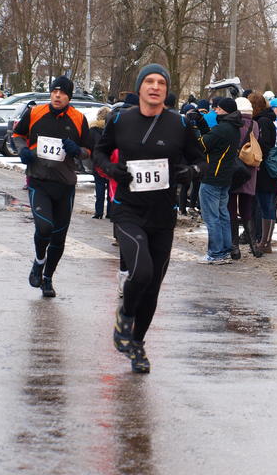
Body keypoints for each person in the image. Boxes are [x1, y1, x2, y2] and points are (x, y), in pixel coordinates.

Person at [93, 63, 204, 373]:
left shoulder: (180, 124)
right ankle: (125, 316)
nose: (155, 87)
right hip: (128, 210)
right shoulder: (120, 120)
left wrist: (190, 172)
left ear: (166, 91)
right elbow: (98, 153)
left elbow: (201, 161)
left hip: (163, 215)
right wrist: (110, 169)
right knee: (141, 273)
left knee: (153, 287)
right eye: (149, 82)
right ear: (140, 87)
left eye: (161, 83)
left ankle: (137, 344)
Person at [13, 75, 92, 298]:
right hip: (38, 181)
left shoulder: (79, 118)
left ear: (69, 97)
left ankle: (47, 278)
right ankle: (39, 261)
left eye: (63, 93)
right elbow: (17, 135)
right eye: (55, 91)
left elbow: (89, 151)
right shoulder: (35, 112)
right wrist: (23, 150)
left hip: (65, 185)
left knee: (59, 237)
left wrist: (77, 150)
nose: (58, 96)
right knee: (44, 228)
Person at [187, 97, 242, 264]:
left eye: (217, 109)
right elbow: (212, 141)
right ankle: (224, 251)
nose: (215, 111)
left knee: (212, 218)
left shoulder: (222, 129)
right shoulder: (233, 127)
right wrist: (202, 122)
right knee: (223, 216)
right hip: (224, 178)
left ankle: (216, 253)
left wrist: (192, 128)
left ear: (224, 111)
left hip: (212, 177)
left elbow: (202, 145)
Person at [228, 96, 262, 259]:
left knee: (231, 208)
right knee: (246, 208)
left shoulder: (233, 123)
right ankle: (254, 246)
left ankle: (235, 247)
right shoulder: (255, 125)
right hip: (250, 170)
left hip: (234, 169)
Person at [249, 91, 277, 253]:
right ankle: (263, 241)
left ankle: (265, 243)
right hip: (264, 169)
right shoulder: (264, 120)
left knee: (266, 205)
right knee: (263, 204)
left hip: (265, 170)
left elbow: (266, 145)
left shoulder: (263, 122)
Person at [90, 107, 112, 219]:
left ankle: (98, 212)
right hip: (110, 162)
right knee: (110, 188)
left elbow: (89, 146)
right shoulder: (113, 129)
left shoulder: (93, 130)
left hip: (97, 162)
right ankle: (110, 212)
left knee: (99, 187)